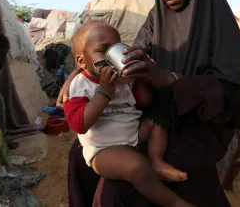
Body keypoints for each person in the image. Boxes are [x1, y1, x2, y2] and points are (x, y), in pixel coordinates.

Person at [58, 0, 240, 206]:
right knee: (79, 154)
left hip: (195, 124)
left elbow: (231, 93)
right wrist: (78, 75)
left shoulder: (219, 24)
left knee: (114, 193)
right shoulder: (156, 19)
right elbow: (125, 58)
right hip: (152, 113)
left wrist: (171, 80)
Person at [64, 22, 192, 207]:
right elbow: (79, 124)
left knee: (159, 117)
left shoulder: (122, 79)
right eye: (103, 50)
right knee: (137, 167)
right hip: (103, 149)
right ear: (82, 61)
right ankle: (174, 203)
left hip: (132, 136)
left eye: (116, 48)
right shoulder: (80, 85)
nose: (112, 56)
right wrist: (104, 92)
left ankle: (155, 159)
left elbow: (144, 102)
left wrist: (139, 78)